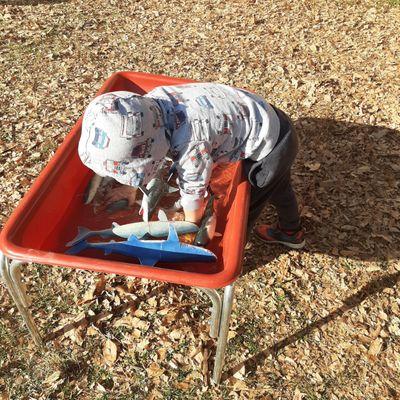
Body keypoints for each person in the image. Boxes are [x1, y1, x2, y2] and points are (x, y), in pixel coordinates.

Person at [78, 83, 305, 249]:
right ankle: (292, 230)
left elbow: (193, 197)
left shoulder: (191, 144)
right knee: (279, 187)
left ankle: (236, 246)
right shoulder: (151, 104)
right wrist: (131, 188)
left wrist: (188, 224)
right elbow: (151, 148)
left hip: (269, 149)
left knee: (248, 206)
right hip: (265, 116)